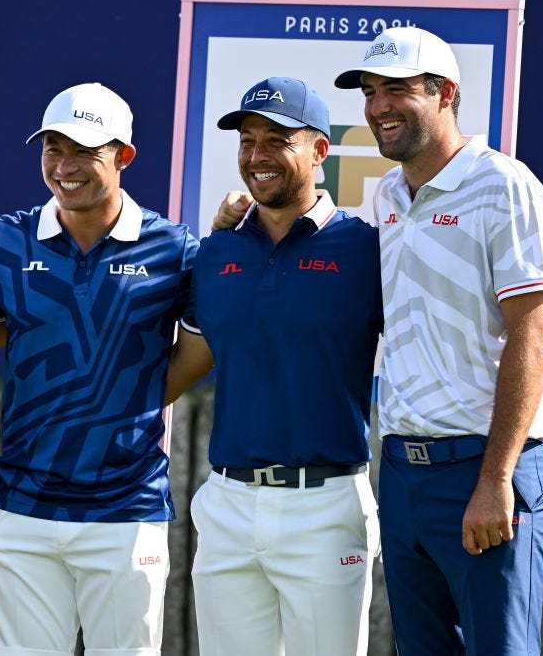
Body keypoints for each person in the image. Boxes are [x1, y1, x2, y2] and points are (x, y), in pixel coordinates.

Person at [215, 27, 543, 655]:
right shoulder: (389, 196)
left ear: (447, 93)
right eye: (369, 92)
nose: (378, 106)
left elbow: (533, 333)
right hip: (404, 473)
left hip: (482, 472)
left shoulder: (505, 186)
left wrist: (508, 465)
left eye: (397, 89)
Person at [0, 82, 198, 656]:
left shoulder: (173, 248)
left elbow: (202, 348)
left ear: (123, 156)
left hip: (126, 510)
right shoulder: (8, 241)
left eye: (84, 151)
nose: (65, 167)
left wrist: (133, 396)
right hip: (20, 507)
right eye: (52, 149)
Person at [165, 77, 382, 656]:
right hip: (228, 504)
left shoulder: (368, 249)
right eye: (248, 140)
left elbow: (436, 343)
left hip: (326, 504)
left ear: (319, 151)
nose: (257, 155)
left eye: (277, 140)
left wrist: (532, 428)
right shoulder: (215, 252)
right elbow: (185, 359)